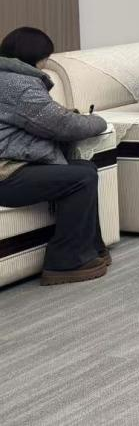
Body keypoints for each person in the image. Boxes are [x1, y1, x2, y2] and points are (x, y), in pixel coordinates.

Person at [0, 26, 112, 284]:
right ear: (36, 57)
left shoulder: (8, 78)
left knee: (85, 169)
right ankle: (65, 261)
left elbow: (42, 119)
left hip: (15, 164)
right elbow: (63, 126)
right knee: (80, 178)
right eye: (46, 58)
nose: (46, 64)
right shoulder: (18, 85)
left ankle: (91, 247)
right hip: (6, 173)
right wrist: (98, 121)